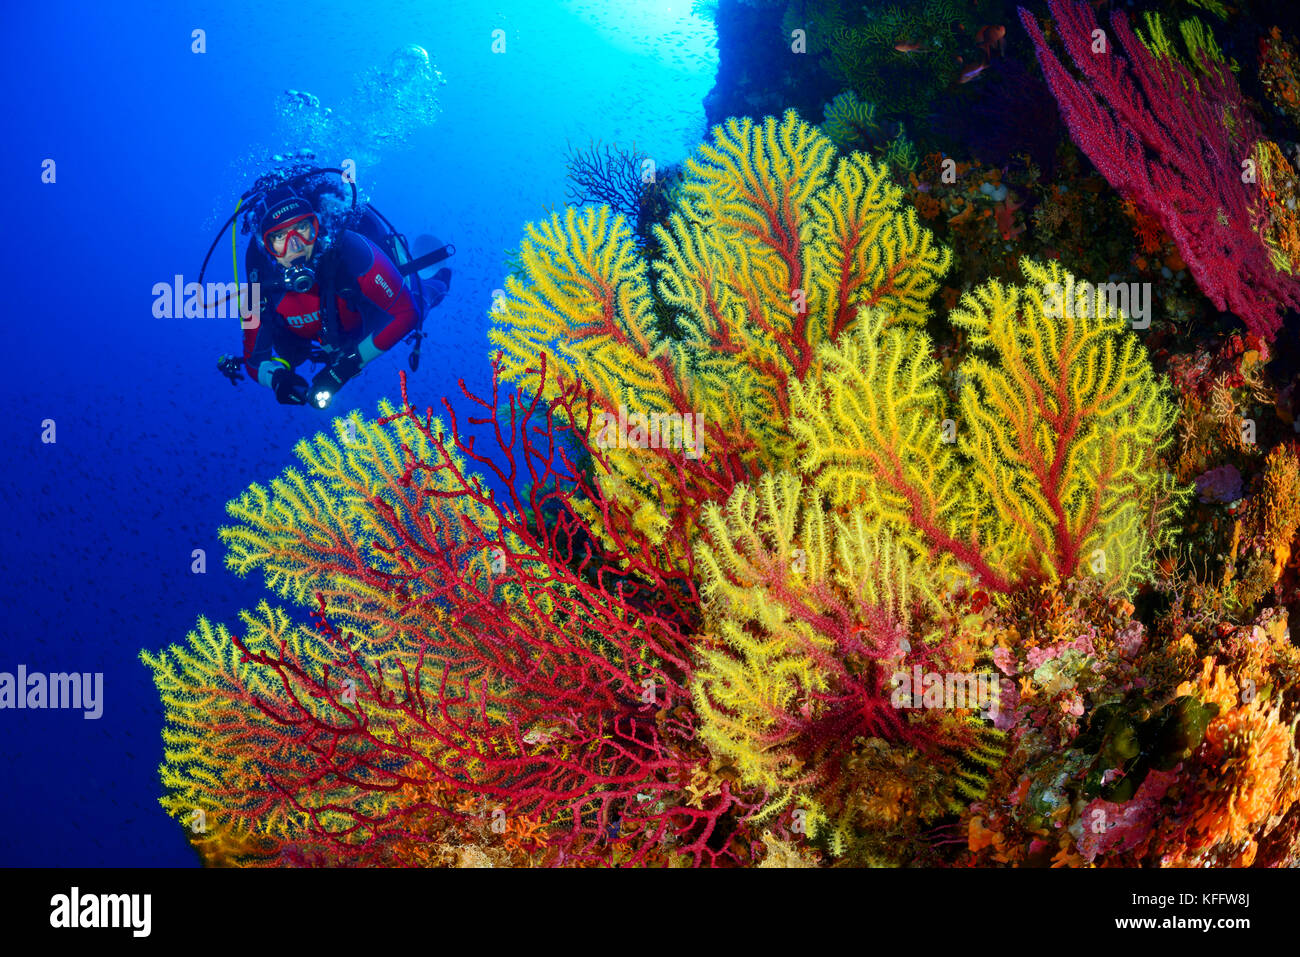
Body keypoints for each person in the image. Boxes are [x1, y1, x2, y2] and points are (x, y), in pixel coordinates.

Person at [242, 186, 450, 408]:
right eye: (280, 237)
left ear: (316, 227)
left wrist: (347, 366)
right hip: (318, 338)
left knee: (419, 302)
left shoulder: (350, 248)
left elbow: (406, 314)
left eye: (302, 228)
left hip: (369, 318)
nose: (295, 246)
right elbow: (254, 360)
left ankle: (435, 281)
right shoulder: (259, 285)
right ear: (266, 246)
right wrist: (277, 380)